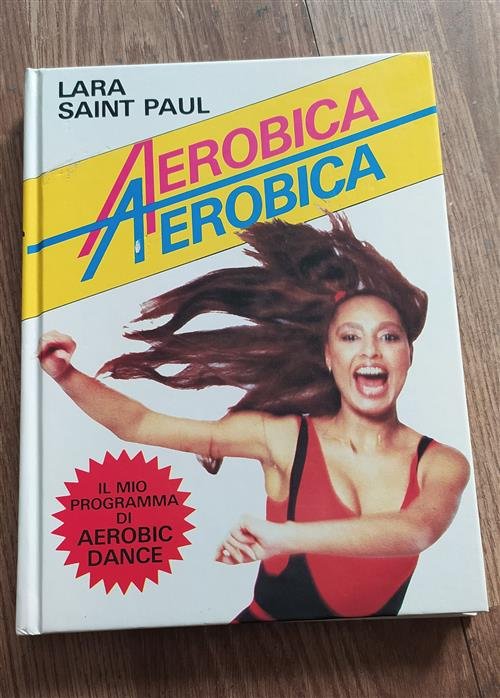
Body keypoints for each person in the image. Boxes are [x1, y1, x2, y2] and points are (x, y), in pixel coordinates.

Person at [38, 214, 469, 620]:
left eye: (389, 337)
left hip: (366, 658)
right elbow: (139, 424)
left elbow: (417, 530)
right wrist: (65, 375)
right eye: (350, 337)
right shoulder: (283, 439)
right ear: (328, 355)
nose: (371, 351)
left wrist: (283, 537)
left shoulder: (441, 463)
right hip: (250, 652)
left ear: (408, 354)